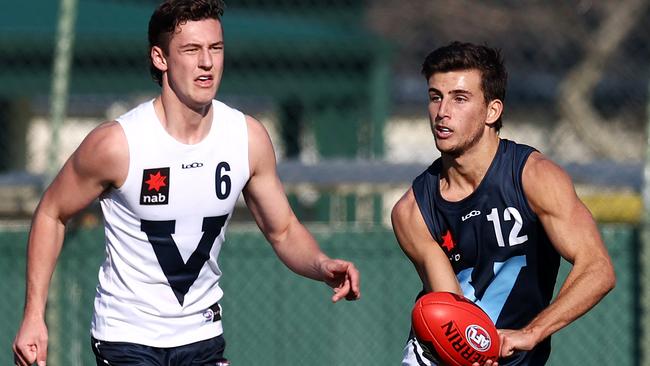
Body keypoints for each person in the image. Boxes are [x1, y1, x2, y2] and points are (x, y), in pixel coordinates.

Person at [12, 1, 361, 365]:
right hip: (127, 339)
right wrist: (34, 314)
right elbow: (51, 213)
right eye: (192, 50)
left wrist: (322, 265)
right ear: (160, 58)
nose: (207, 62)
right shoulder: (117, 144)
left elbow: (284, 231)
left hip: (203, 337)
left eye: (216, 48)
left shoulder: (247, 138)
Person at [392, 41, 615, 366]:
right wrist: (470, 352)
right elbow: (453, 309)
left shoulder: (535, 178)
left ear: (492, 111)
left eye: (459, 98)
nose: (442, 112)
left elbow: (598, 269)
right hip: (443, 355)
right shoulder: (413, 211)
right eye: (435, 97)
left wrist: (532, 332)